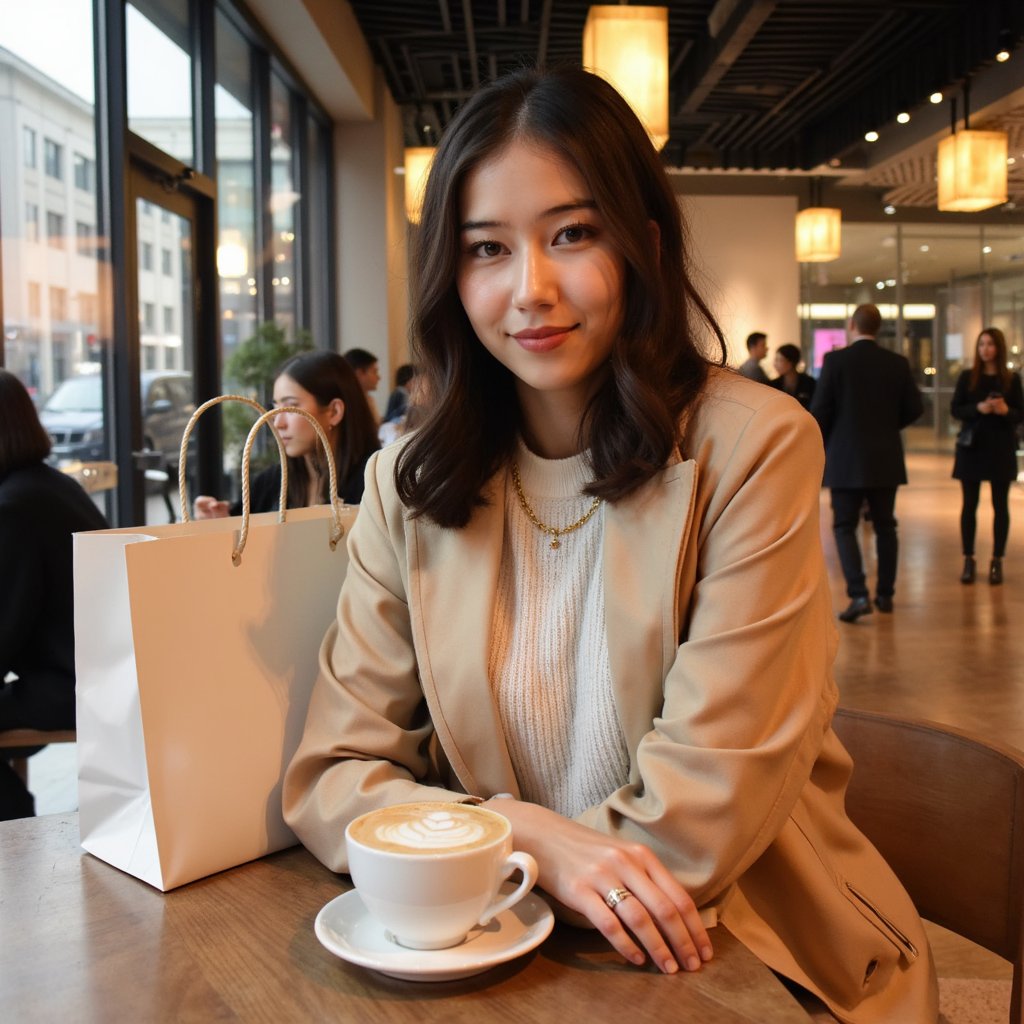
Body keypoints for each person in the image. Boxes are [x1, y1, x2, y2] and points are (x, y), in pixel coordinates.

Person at [283, 68, 936, 1023]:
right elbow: (334, 775)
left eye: (573, 234)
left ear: (644, 244)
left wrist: (470, 846)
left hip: (735, 949)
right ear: (449, 276)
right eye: (486, 249)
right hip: (506, 943)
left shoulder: (753, 448)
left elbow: (689, 834)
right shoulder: (410, 481)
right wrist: (524, 836)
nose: (531, 289)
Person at [0, 369, 109, 819]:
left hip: (74, 686)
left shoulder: (13, 507)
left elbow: (5, 628)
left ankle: (13, 828)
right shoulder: (49, 485)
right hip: (101, 673)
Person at [810, 304, 923, 623]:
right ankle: (885, 594)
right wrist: (887, 427)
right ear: (878, 327)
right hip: (885, 458)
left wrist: (832, 439)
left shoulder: (836, 361)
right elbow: (915, 409)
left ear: (851, 325)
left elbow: (820, 411)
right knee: (886, 525)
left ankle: (859, 594)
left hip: (845, 459)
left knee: (845, 526)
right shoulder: (897, 363)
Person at [193, 351, 379, 518]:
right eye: (275, 407)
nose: (277, 422)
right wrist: (219, 521)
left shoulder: (374, 484)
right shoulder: (270, 483)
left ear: (334, 412)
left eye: (290, 407)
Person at [950, 327, 1023, 585]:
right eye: (981, 344)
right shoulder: (968, 377)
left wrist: (1005, 410)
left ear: (999, 348)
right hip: (972, 448)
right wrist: (978, 408)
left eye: (990, 344)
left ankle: (997, 560)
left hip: (1000, 448)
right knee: (969, 505)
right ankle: (968, 559)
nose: (985, 349)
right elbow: (956, 409)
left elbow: (1020, 415)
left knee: (1000, 505)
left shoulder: (1011, 380)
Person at [343, 347, 382, 425]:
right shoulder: (349, 405)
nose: (379, 377)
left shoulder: (368, 399)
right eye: (375, 371)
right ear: (359, 373)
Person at [771, 343, 816, 409]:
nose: (775, 364)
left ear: (791, 362)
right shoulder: (772, 385)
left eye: (779, 360)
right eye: (776, 360)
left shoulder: (809, 383)